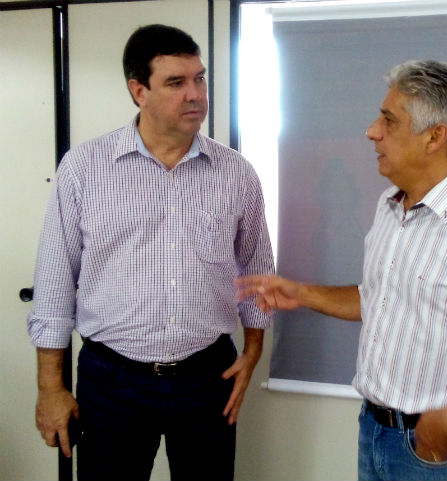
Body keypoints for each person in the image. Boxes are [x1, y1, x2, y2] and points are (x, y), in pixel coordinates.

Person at [236, 59, 447, 481]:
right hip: (374, 431)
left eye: (389, 120)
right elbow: (382, 299)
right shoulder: (389, 206)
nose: (372, 131)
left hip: (439, 454)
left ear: (434, 137)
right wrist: (301, 293)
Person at [27, 24, 274, 481]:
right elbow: (55, 282)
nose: (195, 94)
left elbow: (258, 269)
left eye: (199, 78)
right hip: (112, 380)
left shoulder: (236, 173)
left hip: (207, 377)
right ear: (138, 91)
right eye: (176, 83)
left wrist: (253, 350)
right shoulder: (84, 168)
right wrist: (50, 389)